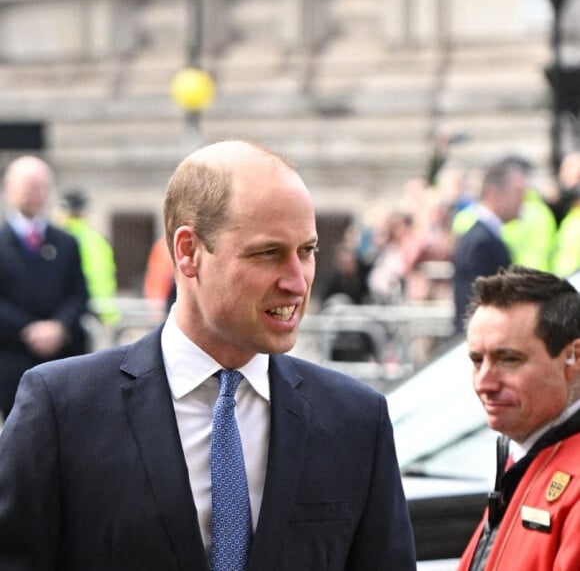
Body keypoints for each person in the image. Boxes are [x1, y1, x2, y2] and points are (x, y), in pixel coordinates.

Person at [0, 140, 416, 570]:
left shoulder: (356, 420)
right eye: (268, 253)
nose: (297, 281)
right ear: (188, 251)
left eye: (307, 251)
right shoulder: (62, 409)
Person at [457, 265, 580, 571]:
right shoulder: (525, 453)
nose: (484, 382)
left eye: (509, 359)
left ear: (574, 357)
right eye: (476, 360)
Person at [0, 155, 89, 420]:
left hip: (61, 357)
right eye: (29, 186)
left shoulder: (66, 242)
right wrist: (28, 329)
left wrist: (59, 327)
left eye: (42, 187)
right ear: (8, 188)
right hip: (11, 357)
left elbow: (79, 293)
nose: (36, 194)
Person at [452, 157, 527, 334]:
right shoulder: (482, 240)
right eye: (517, 193)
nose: (522, 201)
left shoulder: (486, 235)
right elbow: (477, 302)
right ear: (493, 194)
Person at [58, 190, 118, 323]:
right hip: (95, 310)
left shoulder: (64, 240)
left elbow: (96, 277)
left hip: (80, 312)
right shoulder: (95, 238)